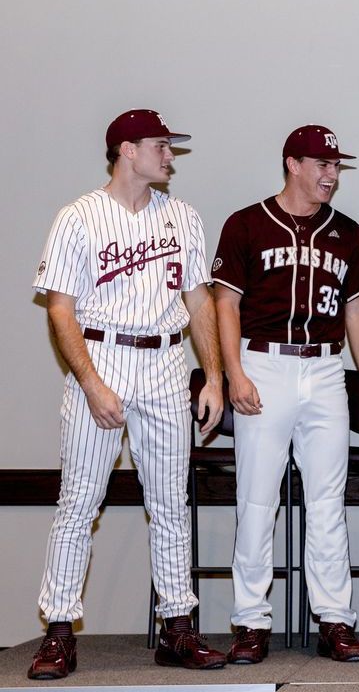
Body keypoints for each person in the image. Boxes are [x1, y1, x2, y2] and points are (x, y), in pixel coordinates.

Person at [28, 109, 226, 680]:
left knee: (169, 504)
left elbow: (199, 301)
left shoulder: (182, 217)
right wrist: (91, 383)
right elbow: (60, 308)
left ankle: (178, 629)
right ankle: (59, 633)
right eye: (161, 146)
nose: (170, 156)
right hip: (102, 354)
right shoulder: (78, 217)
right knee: (78, 504)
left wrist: (210, 375)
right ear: (127, 150)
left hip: (165, 360)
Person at [211, 124, 359, 664]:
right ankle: (251, 621)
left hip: (327, 370)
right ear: (293, 164)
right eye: (321, 164)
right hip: (264, 363)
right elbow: (226, 305)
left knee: (327, 502)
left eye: (336, 166)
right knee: (257, 500)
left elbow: (357, 310)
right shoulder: (246, 224)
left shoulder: (347, 232)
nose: (331, 174)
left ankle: (335, 620)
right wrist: (234, 371)